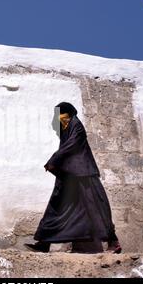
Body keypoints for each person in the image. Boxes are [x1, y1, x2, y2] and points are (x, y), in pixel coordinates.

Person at [24, 102, 121, 254]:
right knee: (56, 206)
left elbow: (70, 147)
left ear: (69, 114)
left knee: (96, 208)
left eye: (62, 115)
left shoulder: (77, 126)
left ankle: (113, 242)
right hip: (69, 175)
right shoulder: (67, 128)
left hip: (84, 175)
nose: (60, 118)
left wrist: (53, 160)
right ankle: (44, 242)